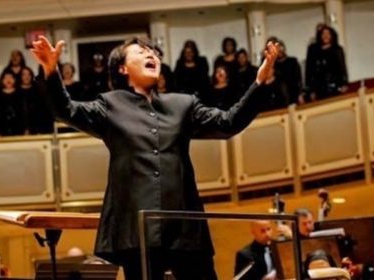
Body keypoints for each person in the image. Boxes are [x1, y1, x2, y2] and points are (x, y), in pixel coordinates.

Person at [32, 35, 278, 280]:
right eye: (140, 52)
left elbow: (229, 123)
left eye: (153, 52)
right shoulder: (110, 105)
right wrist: (50, 70)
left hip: (185, 227)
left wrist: (260, 82)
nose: (151, 55)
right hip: (137, 231)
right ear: (123, 68)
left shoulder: (183, 105)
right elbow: (66, 111)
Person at [305, 26, 348, 101]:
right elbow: (309, 71)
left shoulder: (337, 49)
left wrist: (344, 84)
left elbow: (342, 68)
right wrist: (311, 90)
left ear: (332, 35)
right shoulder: (313, 50)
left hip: (336, 86)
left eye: (328, 34)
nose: (326, 36)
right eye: (323, 34)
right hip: (319, 88)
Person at [20, 66, 54, 134]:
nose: (26, 77)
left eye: (28, 74)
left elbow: (44, 112)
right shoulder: (16, 92)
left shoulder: (38, 90)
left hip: (38, 129)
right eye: (24, 74)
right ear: (20, 76)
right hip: (20, 130)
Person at [0, 70, 26, 136]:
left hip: (19, 129)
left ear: (15, 80)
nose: (8, 80)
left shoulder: (20, 93)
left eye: (11, 77)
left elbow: (24, 112)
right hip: (1, 130)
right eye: (6, 78)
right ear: (2, 80)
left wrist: (26, 129)